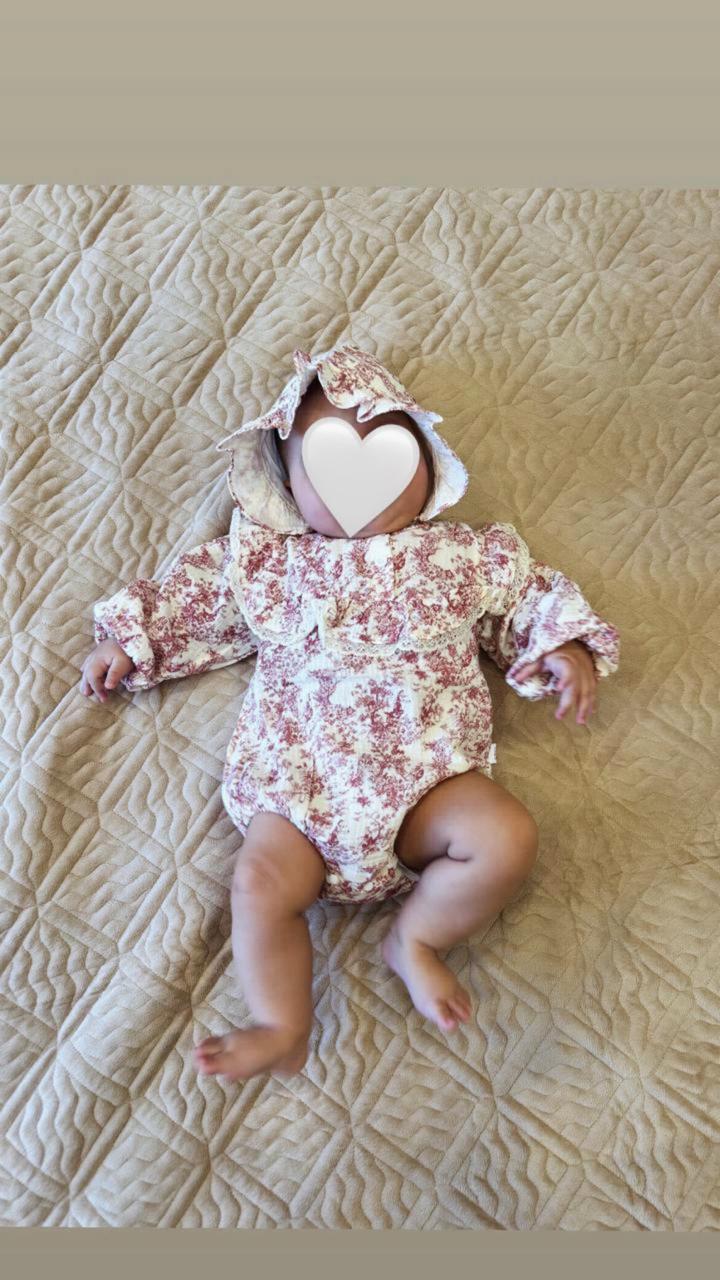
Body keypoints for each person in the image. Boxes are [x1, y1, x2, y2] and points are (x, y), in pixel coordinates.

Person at [81, 342, 620, 1082]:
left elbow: (524, 596)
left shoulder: (458, 557)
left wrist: (562, 646)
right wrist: (131, 640)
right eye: (325, 460)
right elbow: (195, 603)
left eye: (389, 445)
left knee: (507, 835)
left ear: (426, 459)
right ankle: (281, 1023)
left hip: (427, 788)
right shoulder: (269, 563)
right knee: (257, 884)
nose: (359, 478)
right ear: (285, 484)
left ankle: (417, 938)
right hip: (299, 796)